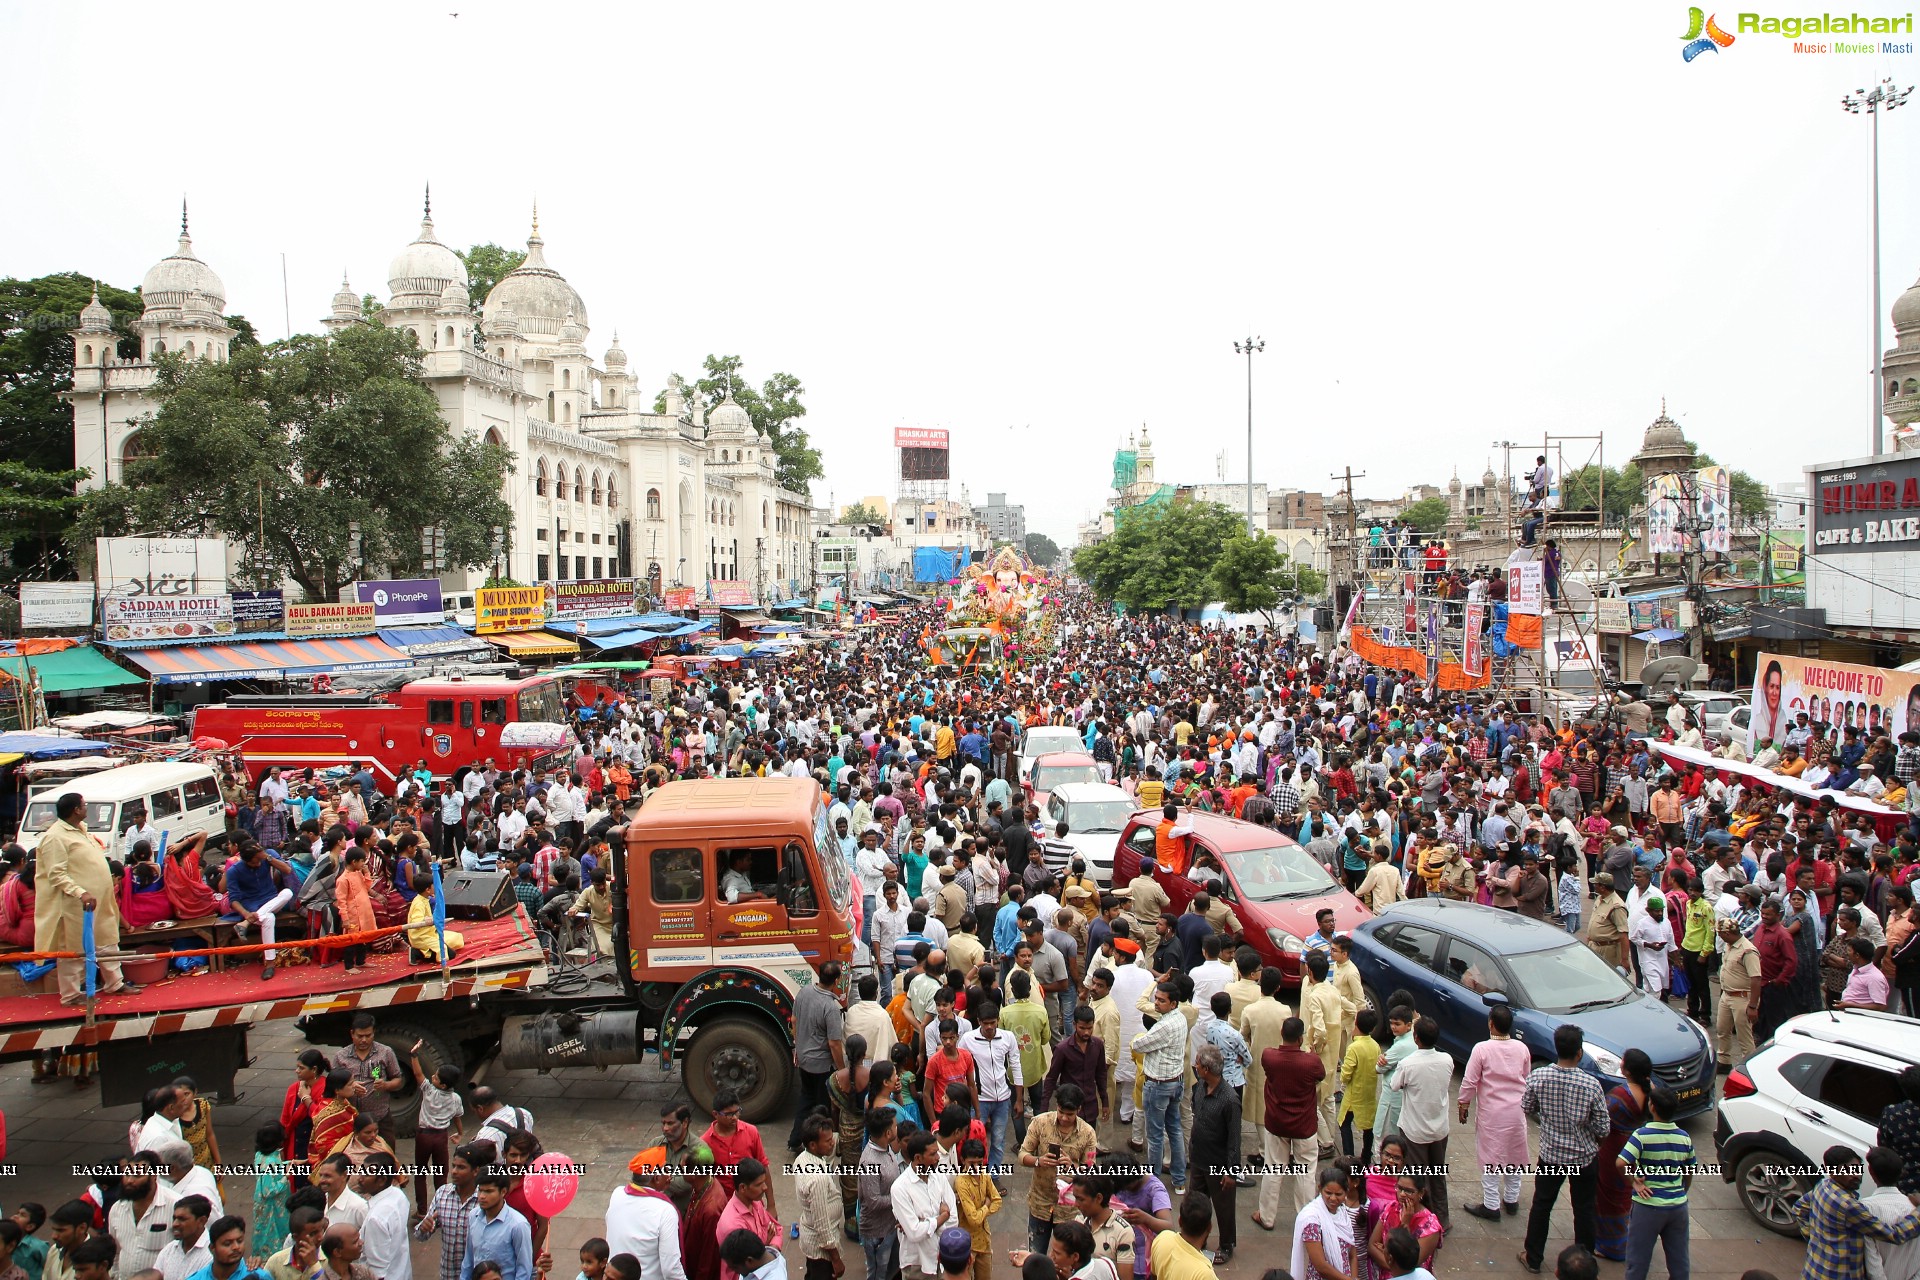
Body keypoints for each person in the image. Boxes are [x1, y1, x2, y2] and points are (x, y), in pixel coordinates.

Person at [1519, 1025, 1610, 1274]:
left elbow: (1526, 1106)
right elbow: (1603, 1126)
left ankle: (1533, 1257)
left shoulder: (1538, 1077)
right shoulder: (1591, 1085)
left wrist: (1548, 1118)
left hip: (1551, 1156)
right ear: (1579, 1053)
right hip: (1584, 1157)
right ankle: (1582, 1261)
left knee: (1542, 1205)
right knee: (1584, 1209)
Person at [35, 793, 138, 1004]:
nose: (86, 808)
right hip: (75, 905)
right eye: (84, 805)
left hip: (99, 902)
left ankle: (114, 983)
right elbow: (56, 874)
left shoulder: (82, 831)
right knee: (74, 949)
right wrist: (80, 892)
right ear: (76, 810)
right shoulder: (55, 837)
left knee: (108, 941)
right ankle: (71, 995)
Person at [1795, 1146, 1920, 1280]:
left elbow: (1799, 1207)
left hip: (1813, 1270)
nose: (1855, 1175)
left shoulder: (1823, 1185)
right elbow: (1895, 1235)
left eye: (1857, 1168)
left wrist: (1816, 1240)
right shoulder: (1849, 1206)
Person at [1459, 1004, 1531, 1222]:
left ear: (1491, 1023)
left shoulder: (1482, 1049)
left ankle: (1491, 1205)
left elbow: (1470, 1081)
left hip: (1492, 1115)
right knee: (1514, 1155)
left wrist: (1463, 1104)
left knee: (1490, 1157)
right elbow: (1526, 1076)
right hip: (1517, 1113)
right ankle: (1511, 1199)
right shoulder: (1522, 1048)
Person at [1616, 1085, 1689, 1280]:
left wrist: (1635, 1183)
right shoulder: (1684, 1138)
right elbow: (1689, 1170)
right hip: (1678, 1207)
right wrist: (1682, 1191)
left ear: (1652, 1107)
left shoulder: (1641, 1135)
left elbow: (1621, 1163)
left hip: (1648, 1207)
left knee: (1637, 1264)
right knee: (1679, 1263)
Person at [1257, 1016, 1323, 1230]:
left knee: (1273, 1169)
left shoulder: (1269, 1056)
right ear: (1301, 1038)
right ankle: (1306, 1219)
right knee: (1305, 1172)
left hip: (1277, 1122)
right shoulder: (1311, 1062)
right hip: (1304, 1125)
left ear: (1282, 1034)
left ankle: (1266, 1216)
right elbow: (1320, 1076)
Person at [1017, 1083, 1096, 1257]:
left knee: (1066, 1260)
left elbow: (1091, 1172)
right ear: (1056, 1106)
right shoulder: (1040, 1123)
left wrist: (1073, 1167)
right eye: (1061, 1112)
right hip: (1040, 1203)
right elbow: (1022, 1155)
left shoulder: (1088, 1133)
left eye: (1070, 1114)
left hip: (1070, 1209)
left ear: (1079, 1110)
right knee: (1036, 1257)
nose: (1064, 1118)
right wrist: (1038, 1161)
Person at [1593, 1048, 1654, 1262]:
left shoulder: (1620, 1096)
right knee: (1626, 1195)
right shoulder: (1651, 1091)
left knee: (1608, 1197)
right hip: (1636, 1149)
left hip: (1615, 1150)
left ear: (1627, 1070)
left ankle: (1610, 1246)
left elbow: (1600, 1123)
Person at [1128, 983, 1188, 1193]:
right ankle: (1179, 1179)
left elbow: (1138, 1045)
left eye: (1162, 1000)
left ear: (1173, 1003)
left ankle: (1153, 1183)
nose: (1157, 1003)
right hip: (1175, 1081)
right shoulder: (1179, 1018)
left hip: (1158, 1085)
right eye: (1157, 998)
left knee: (1154, 1135)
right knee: (1174, 1130)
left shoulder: (1164, 1026)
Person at [1189, 1045, 1240, 1266]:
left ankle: (1227, 1244)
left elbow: (1235, 1140)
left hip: (1219, 1164)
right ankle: (1198, 1238)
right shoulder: (1200, 1086)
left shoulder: (1229, 1099)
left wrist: (1231, 1171)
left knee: (1223, 1207)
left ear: (1207, 1068)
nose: (1195, 1067)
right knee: (1196, 1203)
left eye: (1198, 1064)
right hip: (1198, 1158)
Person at [789, 962, 847, 1154]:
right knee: (822, 1108)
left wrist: (800, 1046)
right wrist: (841, 1070)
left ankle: (795, 1139)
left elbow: (794, 1021)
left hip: (804, 1059)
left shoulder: (804, 992)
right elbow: (834, 1044)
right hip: (821, 1066)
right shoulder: (830, 1007)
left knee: (806, 1099)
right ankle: (818, 1144)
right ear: (837, 980)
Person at [602, 1148, 682, 1280]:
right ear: (656, 1178)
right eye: (667, 1171)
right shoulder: (665, 1211)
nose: (670, 1176)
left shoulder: (617, 1194)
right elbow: (670, 1269)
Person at [331, 1017, 405, 1149]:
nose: (364, 1040)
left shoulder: (385, 1052)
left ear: (374, 1033)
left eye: (368, 1035)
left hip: (380, 1118)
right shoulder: (341, 1056)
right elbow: (332, 1084)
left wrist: (386, 1085)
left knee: (387, 1156)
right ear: (352, 1034)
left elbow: (398, 1080)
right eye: (360, 1036)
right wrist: (350, 1086)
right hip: (349, 1118)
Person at [892, 1132, 957, 1280]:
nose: (938, 1158)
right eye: (933, 1154)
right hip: (917, 1264)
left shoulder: (939, 1177)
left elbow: (954, 1220)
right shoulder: (900, 1188)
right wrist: (942, 1217)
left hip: (942, 1258)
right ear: (918, 1158)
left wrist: (927, 1223)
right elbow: (915, 1233)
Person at [414, 1144, 484, 1280]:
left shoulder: (483, 1200)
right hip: (448, 1274)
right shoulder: (442, 1194)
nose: (454, 1171)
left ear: (476, 1171)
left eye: (461, 1167)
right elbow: (421, 1235)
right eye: (454, 1166)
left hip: (475, 1274)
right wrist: (424, 1228)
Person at [791, 1116, 844, 1280]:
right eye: (827, 1141)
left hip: (811, 1239)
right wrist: (836, 1259)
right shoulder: (817, 1179)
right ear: (813, 1145)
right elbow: (821, 1224)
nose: (832, 1143)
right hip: (821, 1249)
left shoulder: (802, 1158)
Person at [108, 1154, 178, 1277]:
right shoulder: (117, 1209)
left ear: (154, 1177)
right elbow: (115, 1252)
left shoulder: (175, 1206)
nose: (129, 1180)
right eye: (127, 1174)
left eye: (137, 1175)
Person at [857, 1110, 902, 1280]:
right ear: (888, 1133)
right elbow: (873, 1201)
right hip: (877, 1232)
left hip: (889, 1226)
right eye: (895, 1126)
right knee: (878, 1274)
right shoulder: (870, 1161)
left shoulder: (886, 1148)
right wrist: (900, 1198)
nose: (897, 1128)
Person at [1290, 1166, 1357, 1280]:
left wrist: (1354, 1278)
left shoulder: (1342, 1213)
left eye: (1338, 1194)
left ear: (1346, 1192)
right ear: (1320, 1189)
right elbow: (1320, 1265)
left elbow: (1352, 1254)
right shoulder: (1312, 1220)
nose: (1333, 1198)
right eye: (1328, 1193)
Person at [462, 1174, 533, 1280]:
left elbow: (524, 1268)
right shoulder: (473, 1216)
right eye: (480, 1190)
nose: (481, 1196)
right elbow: (468, 1259)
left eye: (489, 1191)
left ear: (503, 1192)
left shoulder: (518, 1225)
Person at [356, 1154, 412, 1280]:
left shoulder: (375, 1218)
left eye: (366, 1175)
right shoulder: (398, 1195)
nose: (360, 1179)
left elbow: (377, 1271)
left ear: (381, 1180)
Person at [1147, 1196, 1218, 1280]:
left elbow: (1154, 1276)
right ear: (1210, 1227)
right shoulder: (1204, 1275)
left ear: (1180, 1221)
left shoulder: (1162, 1238)